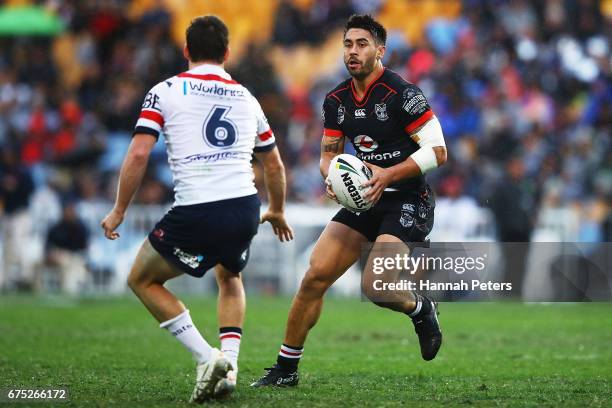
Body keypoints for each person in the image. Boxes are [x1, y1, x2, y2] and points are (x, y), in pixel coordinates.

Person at [100, 15, 293, 403]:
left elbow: (139, 152)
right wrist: (276, 209)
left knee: (142, 280)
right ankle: (231, 368)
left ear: (186, 51)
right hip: (244, 208)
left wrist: (120, 209)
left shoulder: (166, 90)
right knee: (229, 276)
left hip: (199, 208)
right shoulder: (246, 96)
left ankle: (208, 358)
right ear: (227, 52)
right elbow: (273, 165)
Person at [252, 14, 447, 387]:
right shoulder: (336, 99)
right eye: (348, 44)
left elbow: (438, 151)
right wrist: (333, 177)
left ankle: (421, 309)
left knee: (378, 286)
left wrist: (386, 175)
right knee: (314, 275)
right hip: (364, 200)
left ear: (380, 50)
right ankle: (285, 369)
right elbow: (329, 154)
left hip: (406, 199)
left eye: (362, 44)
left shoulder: (403, 95)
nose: (353, 52)